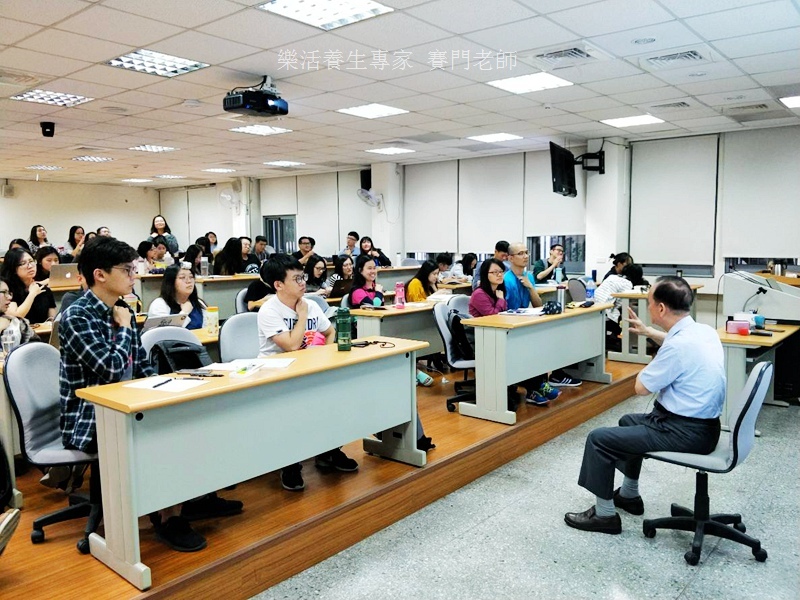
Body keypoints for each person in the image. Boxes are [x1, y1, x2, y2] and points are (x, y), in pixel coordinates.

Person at [59, 236, 241, 552]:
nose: (134, 275)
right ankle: (171, 519)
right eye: (127, 269)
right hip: (90, 417)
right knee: (170, 434)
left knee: (194, 415)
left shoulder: (121, 308)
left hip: (129, 402)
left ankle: (195, 498)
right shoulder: (77, 316)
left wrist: (167, 388)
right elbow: (114, 371)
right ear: (100, 274)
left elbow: (142, 367)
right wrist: (127, 328)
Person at [565, 277, 724, 535]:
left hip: (683, 431)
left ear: (661, 308)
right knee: (628, 421)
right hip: (704, 427)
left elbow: (641, 388)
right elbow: (678, 343)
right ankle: (629, 495)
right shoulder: (704, 331)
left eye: (649, 302)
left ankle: (604, 516)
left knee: (598, 439)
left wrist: (653, 361)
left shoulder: (676, 347)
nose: (647, 307)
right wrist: (650, 333)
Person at [257, 254, 359, 491]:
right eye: (296, 279)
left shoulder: (311, 304)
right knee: (291, 411)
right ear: (279, 285)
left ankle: (329, 451)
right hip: (277, 376)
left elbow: (331, 333)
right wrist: (301, 315)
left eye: (302, 277)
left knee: (334, 399)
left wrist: (323, 353)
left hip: (309, 369)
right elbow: (291, 345)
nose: (303, 283)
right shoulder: (269, 311)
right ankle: (290, 464)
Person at [594, 264, 646, 351]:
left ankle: (612, 338)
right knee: (628, 315)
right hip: (605, 312)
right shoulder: (627, 284)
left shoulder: (612, 277)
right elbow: (622, 305)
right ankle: (627, 344)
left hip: (595, 309)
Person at [0, 248, 56, 325]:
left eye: (31, 261)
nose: (30, 266)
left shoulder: (43, 289)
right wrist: (32, 294)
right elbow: (16, 317)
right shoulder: (8, 290)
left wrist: (50, 322)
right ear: (13, 268)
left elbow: (53, 318)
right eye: (23, 263)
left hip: (43, 334)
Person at [148, 264, 206, 329]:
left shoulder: (199, 303)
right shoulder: (159, 305)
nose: (189, 281)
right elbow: (166, 333)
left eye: (191, 277)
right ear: (171, 282)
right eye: (182, 277)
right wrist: (184, 313)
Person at [0, 277, 37, 346]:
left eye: (9, 293)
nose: (9, 297)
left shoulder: (16, 322)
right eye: (4, 292)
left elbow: (36, 348)